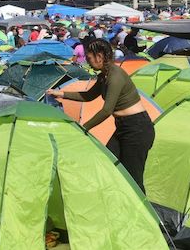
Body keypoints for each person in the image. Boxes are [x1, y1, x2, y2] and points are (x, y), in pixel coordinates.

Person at [46, 38, 154, 191]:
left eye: (89, 58)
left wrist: (84, 127)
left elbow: (106, 110)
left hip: (137, 128)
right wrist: (61, 93)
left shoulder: (114, 76)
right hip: (124, 127)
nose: (88, 62)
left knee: (133, 178)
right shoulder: (104, 75)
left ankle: (143, 212)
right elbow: (88, 96)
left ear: (100, 57)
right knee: (108, 162)